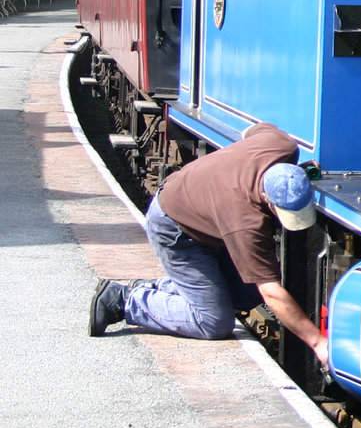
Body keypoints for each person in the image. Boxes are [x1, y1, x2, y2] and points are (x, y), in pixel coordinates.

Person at [88, 122, 329, 366]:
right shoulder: (245, 222)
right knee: (213, 321)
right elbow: (271, 293)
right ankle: (122, 300)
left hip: (197, 211)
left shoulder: (280, 145)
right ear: (267, 199)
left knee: (245, 295)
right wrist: (318, 342)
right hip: (174, 228)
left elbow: (251, 130)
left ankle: (164, 288)